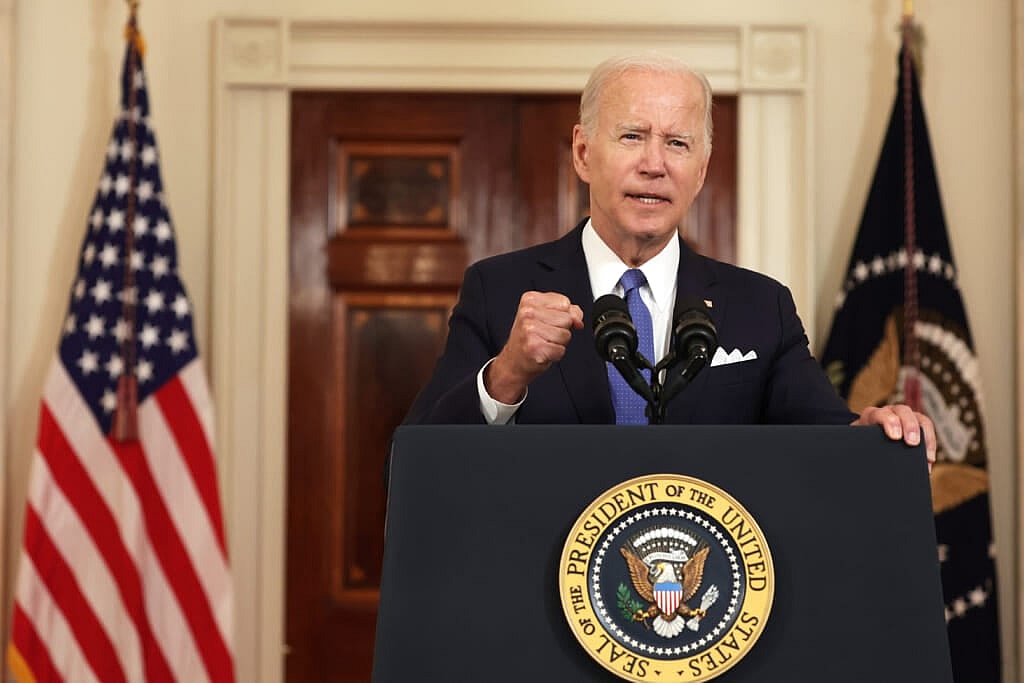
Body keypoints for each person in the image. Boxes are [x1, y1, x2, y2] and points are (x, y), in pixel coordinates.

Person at [402, 52, 936, 466]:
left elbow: (824, 433)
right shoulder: (498, 290)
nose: (654, 165)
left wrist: (871, 438)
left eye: (678, 144)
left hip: (703, 597)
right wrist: (507, 376)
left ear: (701, 170)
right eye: (632, 136)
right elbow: (415, 463)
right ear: (584, 153)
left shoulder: (759, 305)